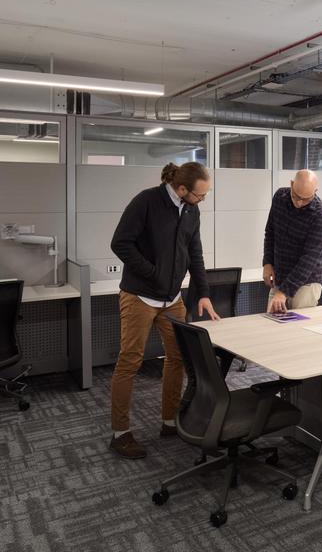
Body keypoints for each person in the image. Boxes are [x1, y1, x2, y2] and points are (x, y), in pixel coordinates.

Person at [107, 161, 219, 459]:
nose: (201, 201)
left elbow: (194, 252)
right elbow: (120, 243)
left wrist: (203, 293)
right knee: (130, 362)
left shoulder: (191, 210)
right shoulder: (147, 201)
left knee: (178, 357)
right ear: (181, 188)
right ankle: (120, 433)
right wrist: (154, 273)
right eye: (199, 195)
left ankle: (170, 421)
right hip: (139, 297)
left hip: (173, 299)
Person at [263, 169, 322, 313]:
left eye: (306, 199)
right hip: (280, 276)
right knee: (271, 325)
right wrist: (267, 263)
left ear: (316, 191)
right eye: (296, 196)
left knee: (299, 330)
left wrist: (283, 292)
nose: (299, 202)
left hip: (306, 283)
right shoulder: (280, 197)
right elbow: (270, 232)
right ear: (291, 184)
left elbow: (309, 259)